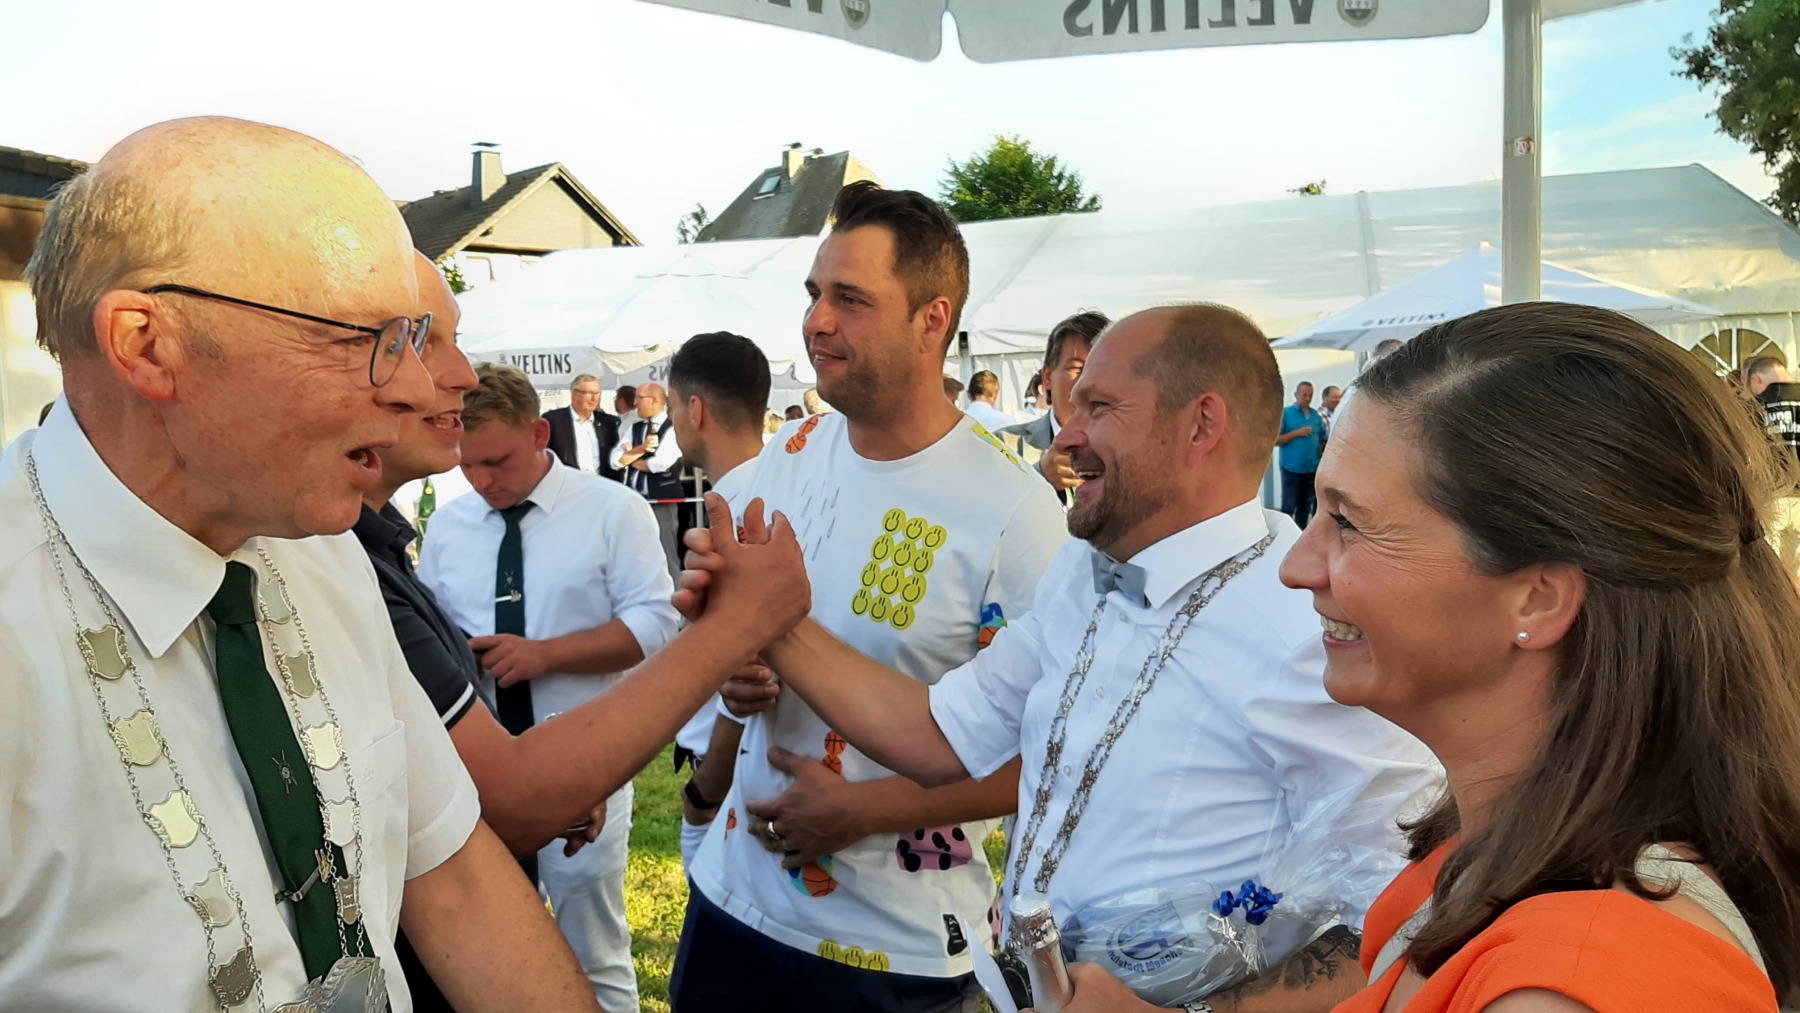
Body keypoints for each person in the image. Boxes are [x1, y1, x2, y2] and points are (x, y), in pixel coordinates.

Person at [682, 304, 1440, 1013]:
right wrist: (769, 619)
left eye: (1099, 408)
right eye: (1071, 407)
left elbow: (1414, 908)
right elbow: (938, 733)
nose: (1065, 438)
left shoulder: (1307, 626)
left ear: (1201, 425)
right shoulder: (1082, 570)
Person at [0, 116, 596, 1011]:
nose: (415, 385)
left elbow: (458, 880)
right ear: (147, 343)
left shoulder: (322, 549)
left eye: (411, 336)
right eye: (363, 336)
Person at [1265, 303, 1800, 1012]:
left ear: (1538, 599)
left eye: (1348, 521)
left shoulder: (1565, 985)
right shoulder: (1522, 845)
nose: (1297, 566)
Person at [669, 181, 1068, 1012]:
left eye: (850, 299)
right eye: (813, 293)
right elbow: (737, 635)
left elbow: (1047, 753)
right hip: (733, 905)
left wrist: (863, 810)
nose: (816, 320)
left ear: (932, 319)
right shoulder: (789, 453)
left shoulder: (1015, 512)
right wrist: (730, 662)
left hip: (895, 950)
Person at [418, 363, 682, 1010]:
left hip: (580, 764)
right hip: (476, 771)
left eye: (497, 461)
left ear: (539, 434)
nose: (482, 481)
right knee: (488, 950)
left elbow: (655, 625)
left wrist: (545, 655)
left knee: (593, 945)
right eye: (467, 465)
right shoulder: (449, 526)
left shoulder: (613, 510)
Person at [663, 332, 773, 868]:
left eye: (671, 407)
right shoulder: (774, 491)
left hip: (735, 777)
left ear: (695, 410)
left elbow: (751, 666)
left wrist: (705, 792)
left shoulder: (737, 515)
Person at [1000, 310, 1111, 505]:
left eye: (1102, 369)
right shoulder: (1005, 445)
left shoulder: (1136, 444)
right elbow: (984, 514)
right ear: (1047, 378)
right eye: (1077, 368)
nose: (1089, 381)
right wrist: (1039, 478)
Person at [613, 380, 686, 579]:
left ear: (654, 401)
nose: (635, 403)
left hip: (662, 500)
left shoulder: (672, 429)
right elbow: (615, 461)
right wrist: (641, 450)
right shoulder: (634, 428)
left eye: (639, 398)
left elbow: (659, 464)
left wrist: (630, 459)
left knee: (665, 552)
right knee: (636, 553)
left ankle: (675, 594)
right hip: (636, 501)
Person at [544, 373, 621, 480]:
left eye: (597, 393)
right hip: (567, 483)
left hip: (601, 484)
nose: (594, 399)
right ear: (574, 394)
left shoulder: (609, 423)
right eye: (589, 393)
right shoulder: (553, 420)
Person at [1277, 382, 1325, 528]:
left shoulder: (1315, 415)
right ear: (1296, 394)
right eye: (1304, 395)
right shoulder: (1286, 414)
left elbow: (1321, 439)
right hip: (1292, 468)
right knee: (1289, 506)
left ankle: (1300, 535)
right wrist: (1297, 433)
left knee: (1305, 508)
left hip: (1311, 468)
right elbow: (1276, 440)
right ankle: (1283, 535)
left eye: (1310, 395)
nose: (1308, 398)